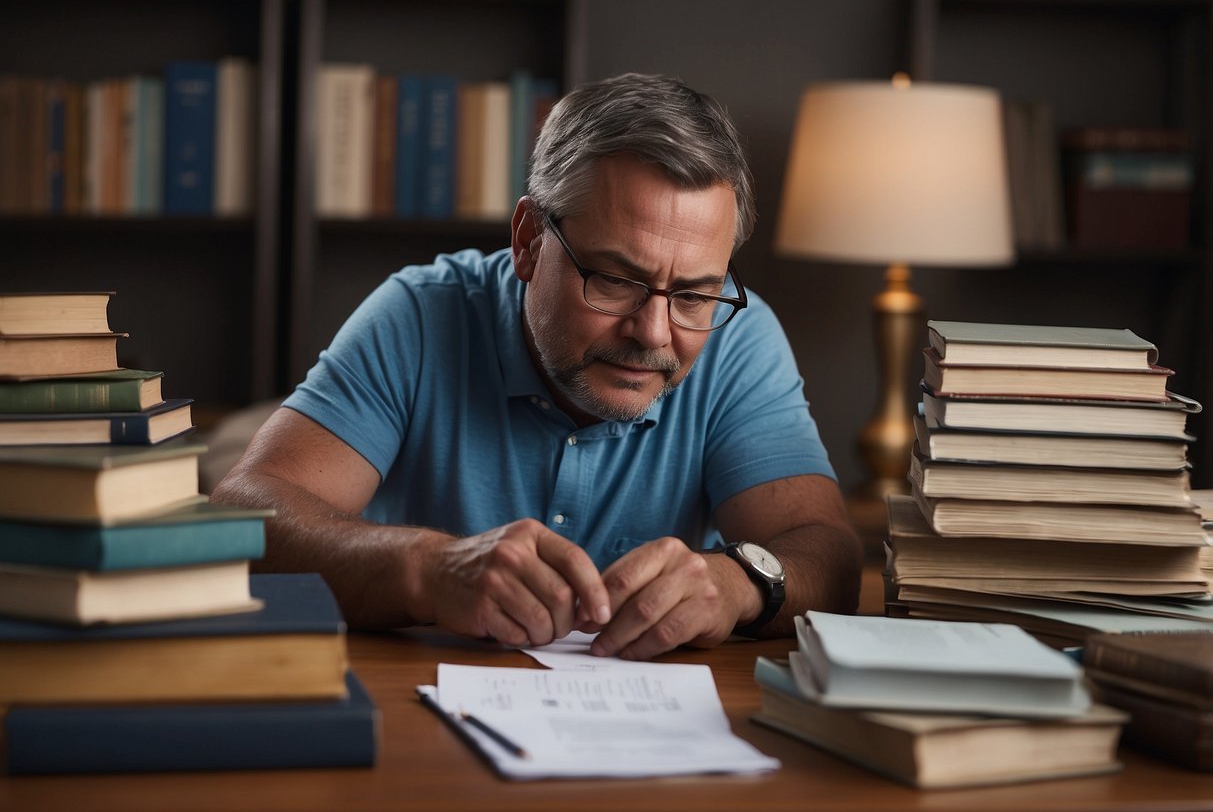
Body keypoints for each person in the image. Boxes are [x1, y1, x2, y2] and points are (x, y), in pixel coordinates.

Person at [212, 72, 862, 661]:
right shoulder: (418, 314)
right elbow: (242, 518)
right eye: (613, 279)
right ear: (527, 242)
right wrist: (428, 569)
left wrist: (739, 583)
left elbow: (827, 556)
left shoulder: (738, 336)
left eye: (692, 294)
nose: (653, 333)